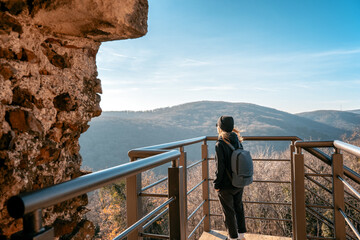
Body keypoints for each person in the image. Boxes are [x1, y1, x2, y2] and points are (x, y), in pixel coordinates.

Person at [214, 116, 246, 240]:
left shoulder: (220, 144)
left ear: (220, 128)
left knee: (228, 212)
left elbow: (220, 168)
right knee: (239, 208)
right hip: (239, 182)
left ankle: (233, 237)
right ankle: (241, 235)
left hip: (226, 185)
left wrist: (216, 184)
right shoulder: (238, 140)